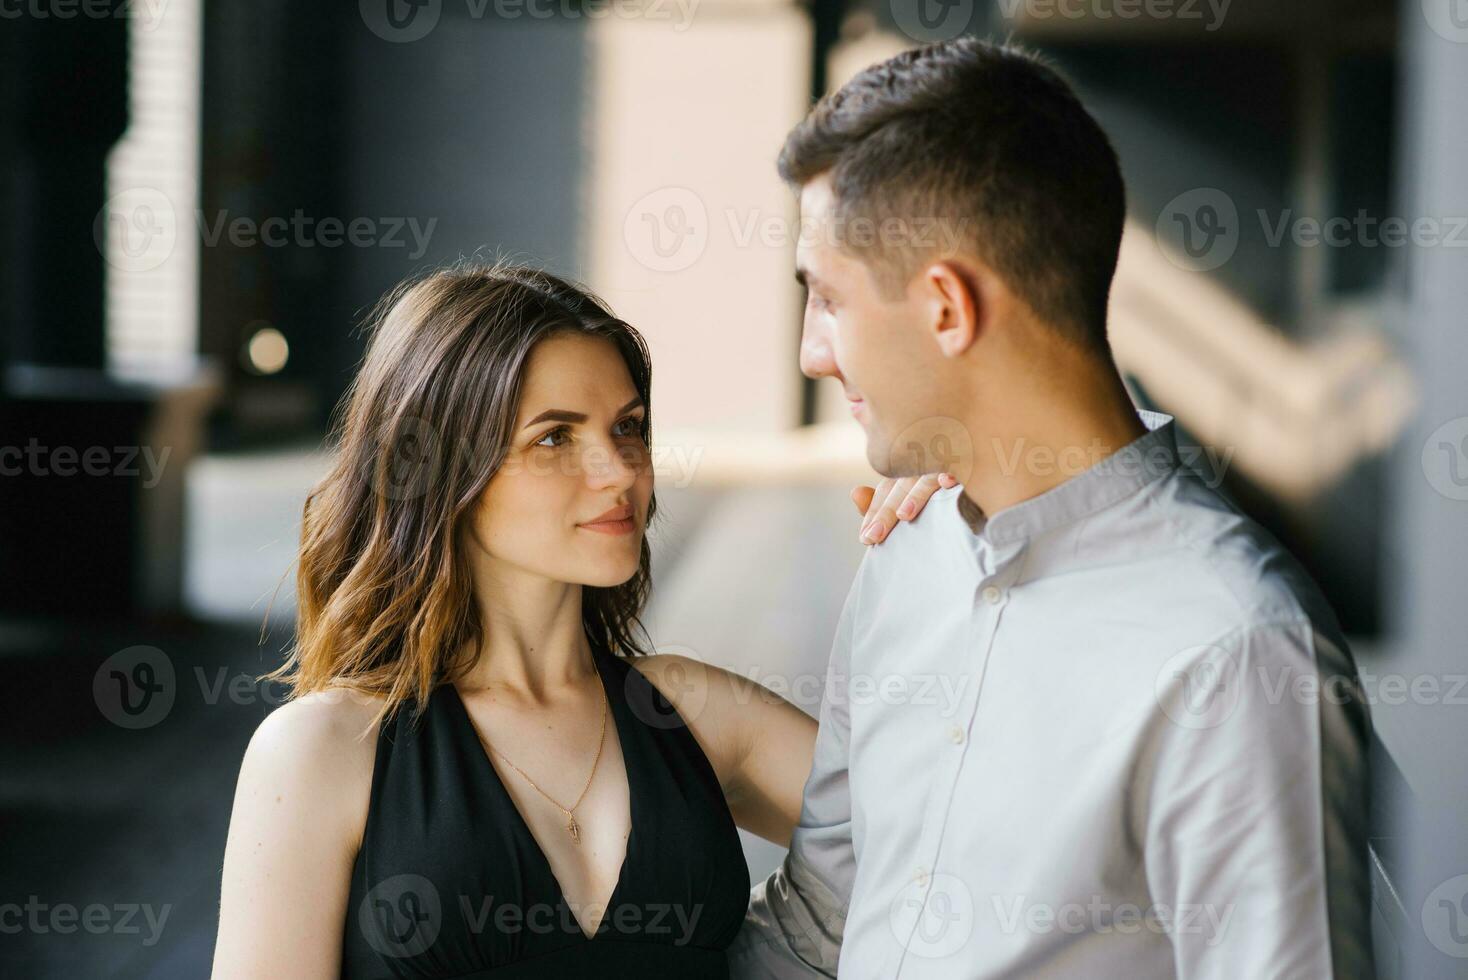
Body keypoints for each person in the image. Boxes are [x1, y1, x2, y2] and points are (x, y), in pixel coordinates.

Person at [731, 36, 1373, 979]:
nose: (811, 354)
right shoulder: (908, 557)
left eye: (827, 298)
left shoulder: (1237, 648)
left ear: (947, 307)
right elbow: (822, 926)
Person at [208, 261, 948, 979]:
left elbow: (966, 838)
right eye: (555, 437)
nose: (619, 470)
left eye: (627, 428)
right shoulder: (325, 751)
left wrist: (959, 517)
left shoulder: (695, 714)